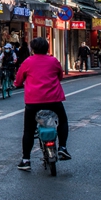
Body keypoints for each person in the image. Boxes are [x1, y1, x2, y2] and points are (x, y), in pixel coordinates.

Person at [15, 37, 71, 170]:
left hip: (33, 101)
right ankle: (62, 147)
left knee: (28, 130)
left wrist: (17, 84)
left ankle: (26, 160)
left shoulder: (27, 62)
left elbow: (18, 80)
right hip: (54, 99)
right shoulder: (53, 61)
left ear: (32, 49)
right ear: (47, 48)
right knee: (62, 121)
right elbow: (60, 76)